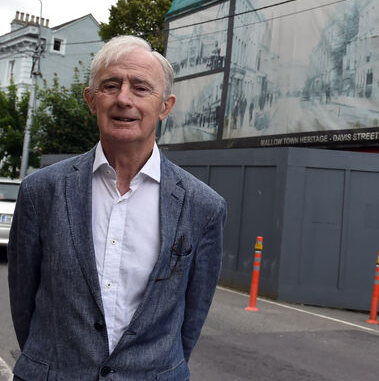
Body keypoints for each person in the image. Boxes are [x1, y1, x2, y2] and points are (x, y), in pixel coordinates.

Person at [8, 35, 226, 380]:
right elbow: (23, 302)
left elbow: (192, 316)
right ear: (91, 100)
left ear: (165, 106)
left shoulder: (203, 206)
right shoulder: (42, 191)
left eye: (141, 88)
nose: (124, 99)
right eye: (111, 86)